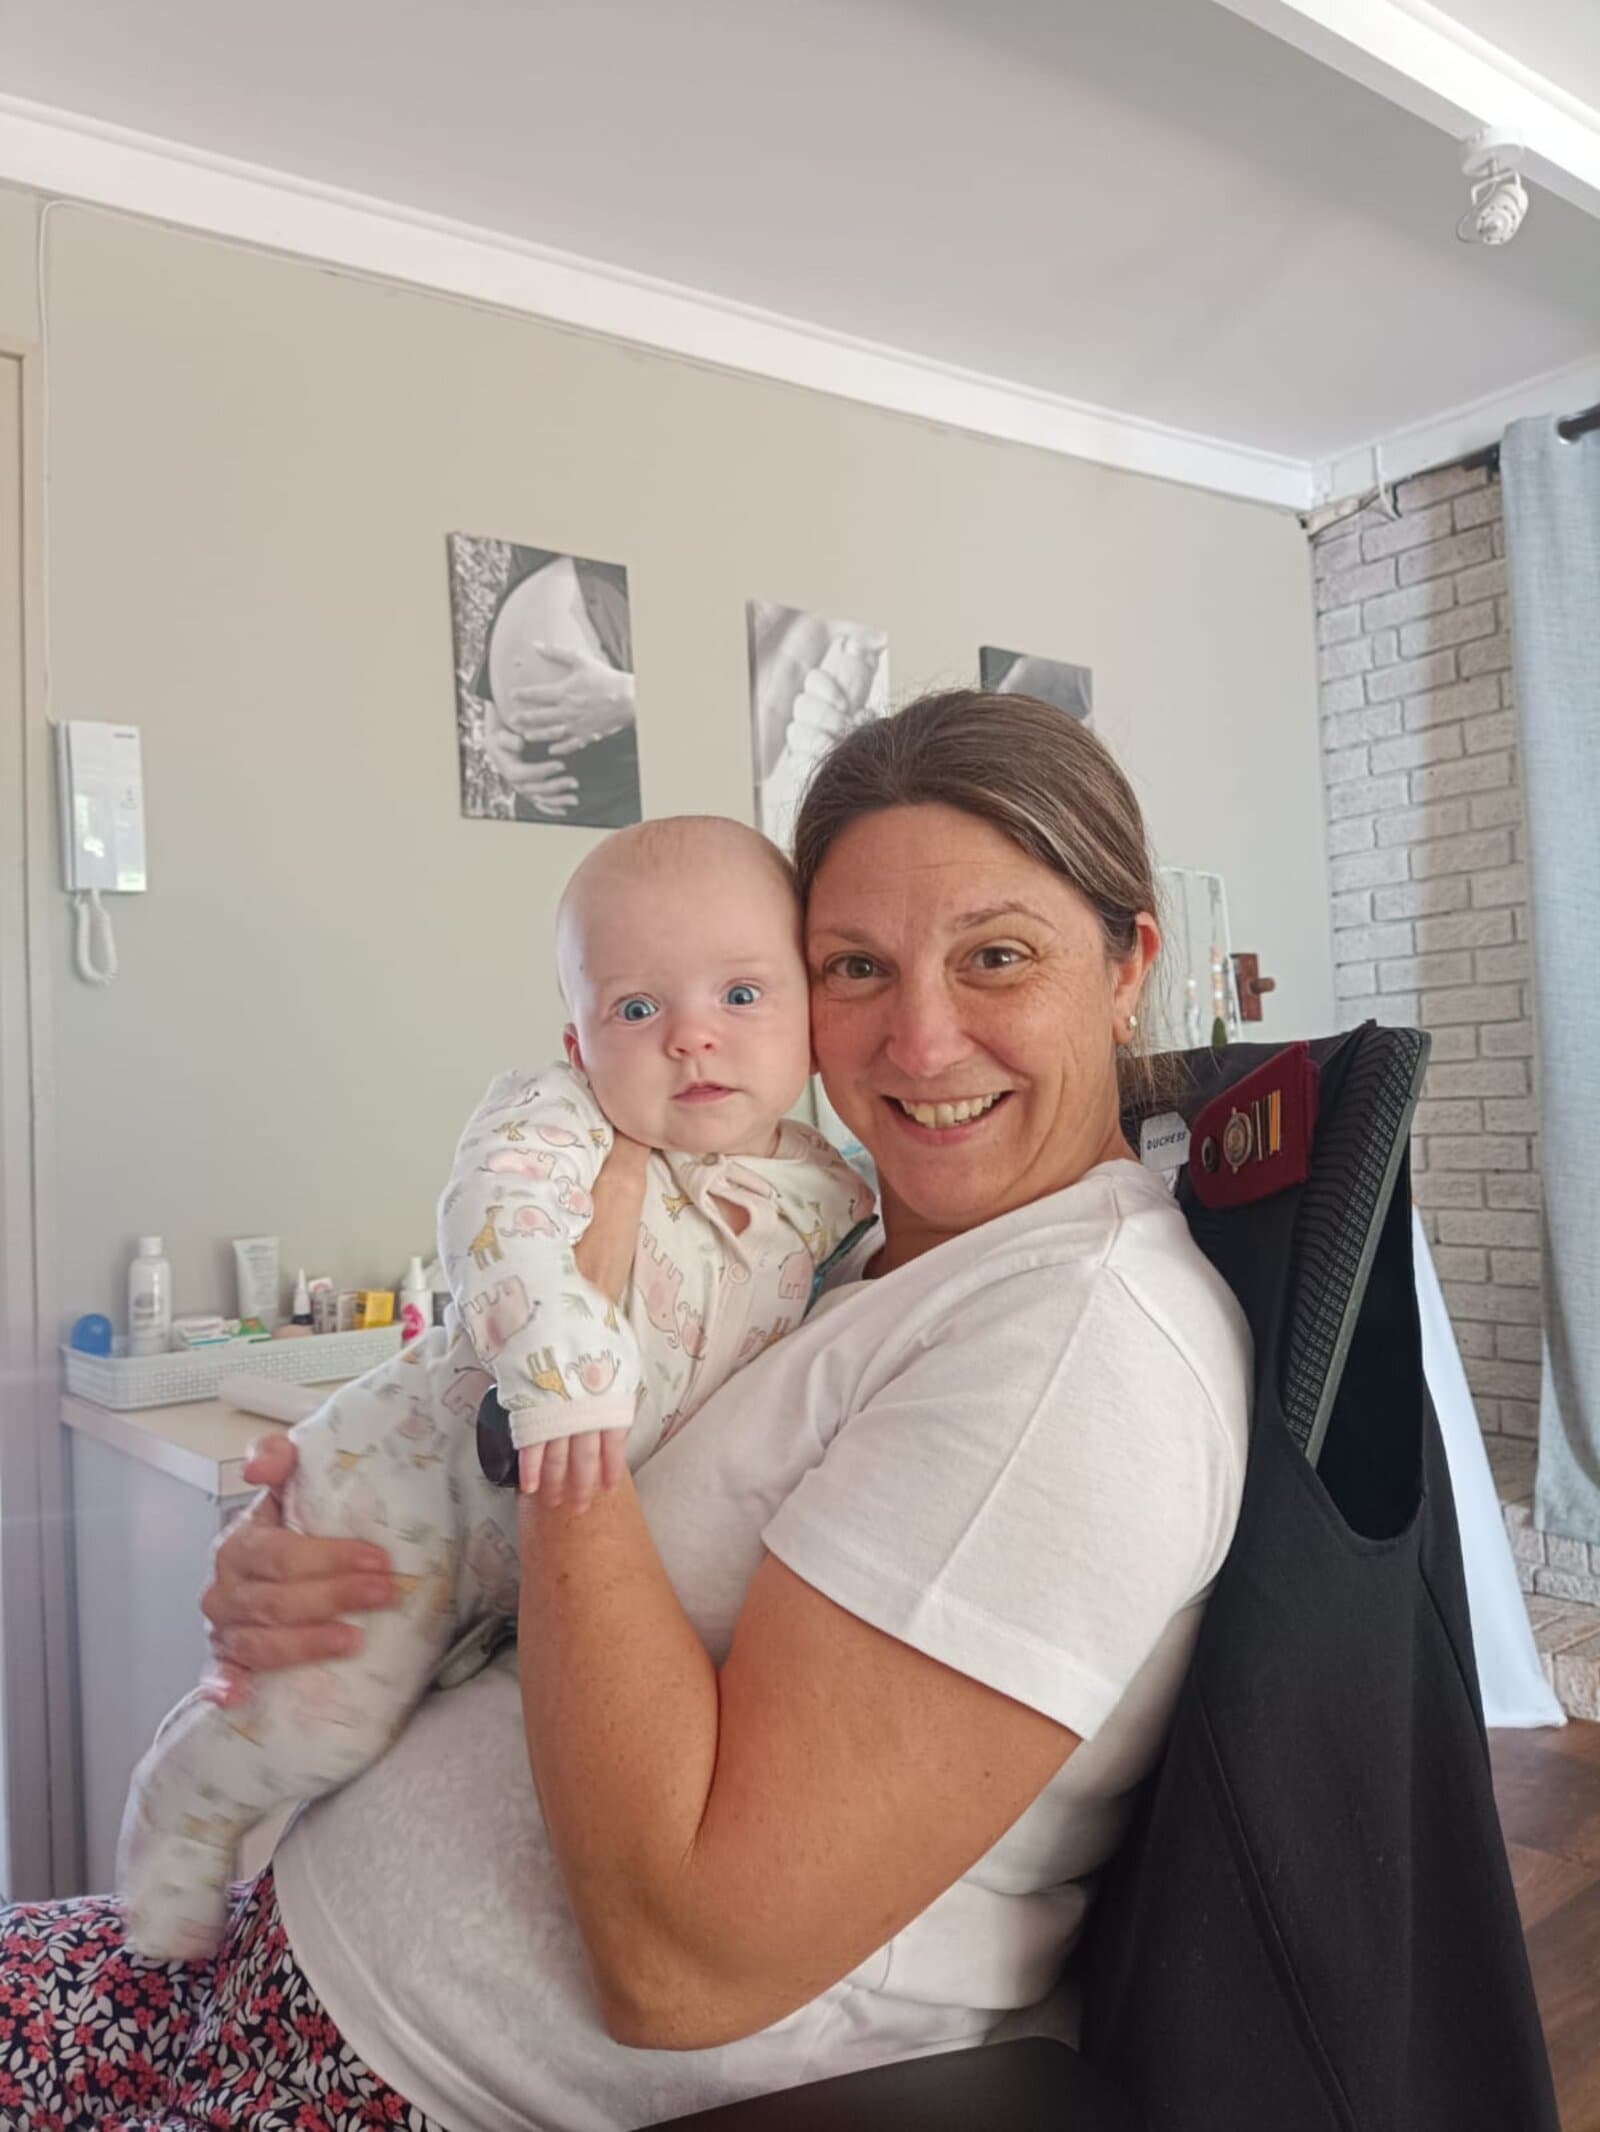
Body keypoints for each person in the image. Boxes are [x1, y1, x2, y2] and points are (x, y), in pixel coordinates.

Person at [1, 690, 1251, 2132]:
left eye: (998, 958)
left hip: (377, 2081)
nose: (917, 1041)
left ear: (1126, 967)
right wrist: (353, 1556)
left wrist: (558, 1405)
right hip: (263, 1964)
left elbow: (689, 1958)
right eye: (854, 965)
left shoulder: (1075, 1347)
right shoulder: (849, 1256)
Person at [116, 818, 872, 1962]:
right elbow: (495, 1223)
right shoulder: (555, 1118)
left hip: (545, 1571)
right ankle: (188, 1803)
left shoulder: (834, 1191)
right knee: (328, 1723)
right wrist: (566, 1373)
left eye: (741, 994)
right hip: (413, 1486)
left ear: (811, 1019)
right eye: (636, 1008)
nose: (691, 1038)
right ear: (577, 1038)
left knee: (407, 1711)